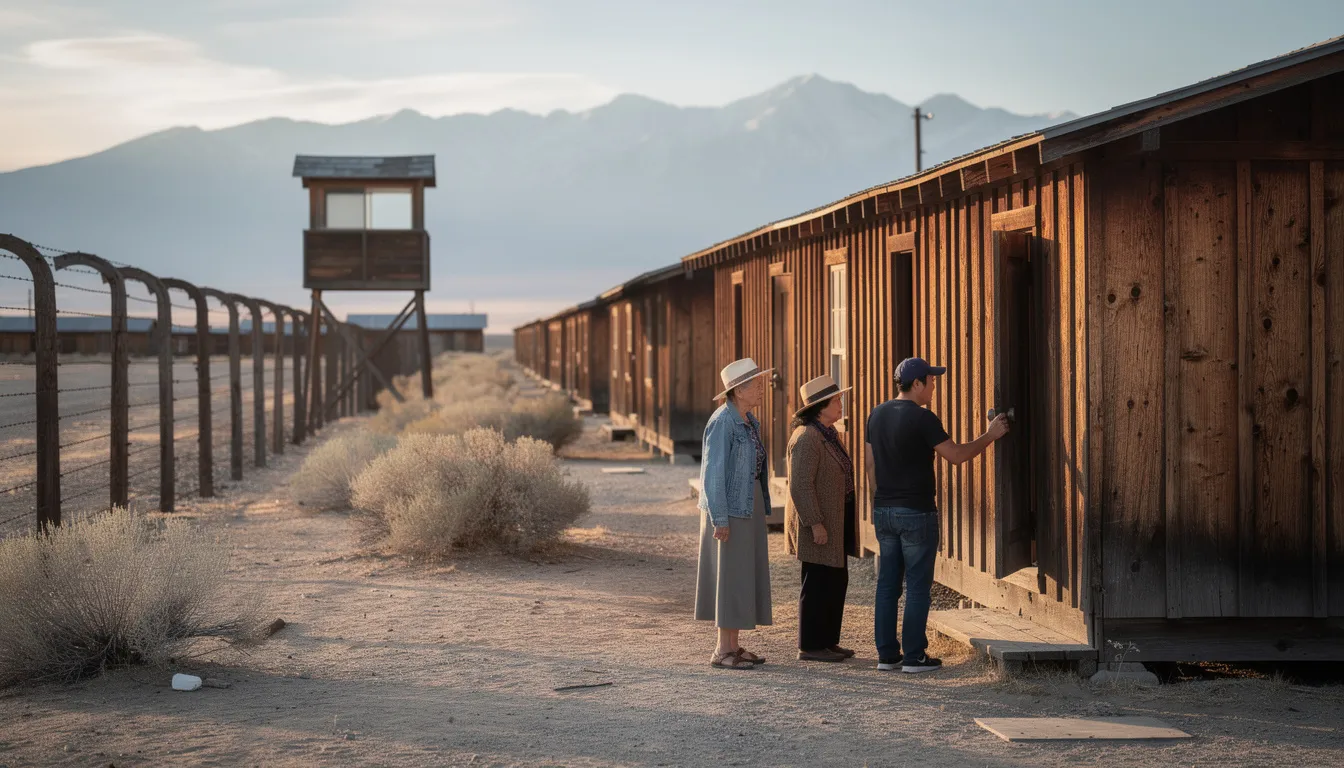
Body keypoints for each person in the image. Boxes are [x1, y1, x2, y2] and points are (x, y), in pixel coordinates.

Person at [865, 357, 1009, 673]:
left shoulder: (875, 415)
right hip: (916, 511)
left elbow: (870, 465)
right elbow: (955, 456)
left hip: (884, 509)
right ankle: (914, 657)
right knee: (917, 586)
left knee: (888, 585)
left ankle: (887, 656)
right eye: (931, 381)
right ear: (916, 384)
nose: (934, 386)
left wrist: (880, 502)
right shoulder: (923, 418)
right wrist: (989, 436)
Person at [695, 357, 775, 669]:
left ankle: (734, 646)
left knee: (741, 575)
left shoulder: (747, 420)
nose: (761, 390)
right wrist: (720, 519)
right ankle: (721, 651)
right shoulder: (722, 422)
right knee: (729, 576)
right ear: (739, 390)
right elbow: (712, 475)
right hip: (730, 507)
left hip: (747, 503)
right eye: (756, 385)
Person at [785, 374, 857, 663]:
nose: (840, 403)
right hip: (818, 523)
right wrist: (815, 522)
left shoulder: (828, 433)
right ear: (820, 406)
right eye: (836, 399)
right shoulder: (807, 437)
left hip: (834, 519)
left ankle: (828, 641)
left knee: (836, 579)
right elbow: (801, 484)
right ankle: (810, 645)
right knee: (816, 581)